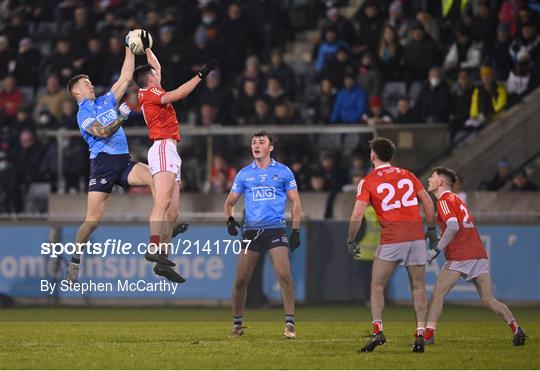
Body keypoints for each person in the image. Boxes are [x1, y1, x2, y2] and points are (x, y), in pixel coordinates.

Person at [65, 32, 187, 284]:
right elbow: (101, 131)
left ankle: (160, 247)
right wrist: (121, 118)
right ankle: (75, 258)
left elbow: (124, 77)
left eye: (89, 82)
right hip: (102, 167)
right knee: (92, 221)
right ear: (76, 91)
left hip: (123, 161)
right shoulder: (83, 112)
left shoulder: (105, 101)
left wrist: (130, 47)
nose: (90, 85)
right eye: (86, 83)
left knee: (158, 182)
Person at [133, 30, 218, 283]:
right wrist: (201, 75)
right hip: (162, 147)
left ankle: (163, 259)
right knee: (162, 201)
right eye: (155, 74)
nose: (159, 73)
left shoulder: (147, 91)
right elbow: (179, 94)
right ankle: (153, 246)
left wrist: (147, 47)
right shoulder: (152, 94)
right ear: (150, 79)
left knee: (174, 210)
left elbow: (156, 65)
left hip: (170, 149)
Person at [347, 137, 437, 353]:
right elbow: (427, 201)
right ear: (392, 156)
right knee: (418, 287)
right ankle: (419, 334)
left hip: (392, 238)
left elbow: (357, 213)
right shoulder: (408, 175)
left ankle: (378, 330)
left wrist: (350, 239)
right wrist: (432, 229)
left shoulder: (368, 180)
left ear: (372, 156)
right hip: (415, 236)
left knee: (377, 286)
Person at [425, 167, 527, 346]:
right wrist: (442, 239)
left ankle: (428, 335)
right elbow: (455, 227)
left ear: (441, 182)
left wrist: (436, 250)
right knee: (489, 299)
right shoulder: (457, 199)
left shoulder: (443, 200)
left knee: (437, 295)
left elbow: (454, 226)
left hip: (460, 256)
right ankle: (516, 328)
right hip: (478, 254)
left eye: (432, 177)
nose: (428, 180)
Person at [224, 131, 302, 339]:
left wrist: (295, 230)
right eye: (253, 142)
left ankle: (290, 323)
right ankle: (237, 324)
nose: (256, 145)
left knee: (284, 275)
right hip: (251, 231)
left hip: (276, 229)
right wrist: (230, 220)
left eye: (261, 142)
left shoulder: (283, 172)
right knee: (241, 280)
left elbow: (296, 202)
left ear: (271, 147)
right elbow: (230, 202)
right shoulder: (244, 174)